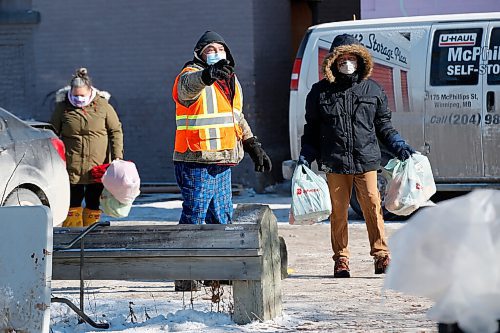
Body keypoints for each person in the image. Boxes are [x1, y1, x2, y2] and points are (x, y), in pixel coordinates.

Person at [298, 34, 415, 278]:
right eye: (342, 59)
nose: (347, 63)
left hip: (366, 160)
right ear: (333, 61)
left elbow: (384, 126)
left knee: (373, 206)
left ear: (360, 60)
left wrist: (399, 145)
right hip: (335, 161)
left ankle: (382, 256)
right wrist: (306, 154)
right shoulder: (320, 92)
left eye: (351, 58)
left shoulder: (373, 90)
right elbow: (311, 129)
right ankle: (341, 259)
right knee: (338, 212)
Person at [172, 31, 272, 291]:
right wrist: (206, 76)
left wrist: (252, 145)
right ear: (199, 54)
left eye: (219, 48)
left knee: (222, 217)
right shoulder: (190, 74)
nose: (215, 52)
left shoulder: (231, 80)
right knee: (195, 215)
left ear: (227, 52)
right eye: (209, 49)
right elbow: (186, 89)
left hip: (223, 160)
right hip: (196, 158)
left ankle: (218, 270)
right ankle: (186, 273)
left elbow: (235, 117)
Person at [51, 68, 124, 227]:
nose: (78, 99)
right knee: (73, 202)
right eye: (75, 95)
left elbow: (115, 130)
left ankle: (90, 235)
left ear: (90, 90)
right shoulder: (63, 108)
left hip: (97, 165)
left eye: (82, 95)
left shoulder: (102, 106)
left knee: (93, 202)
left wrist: (117, 156)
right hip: (72, 166)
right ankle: (72, 236)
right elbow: (52, 132)